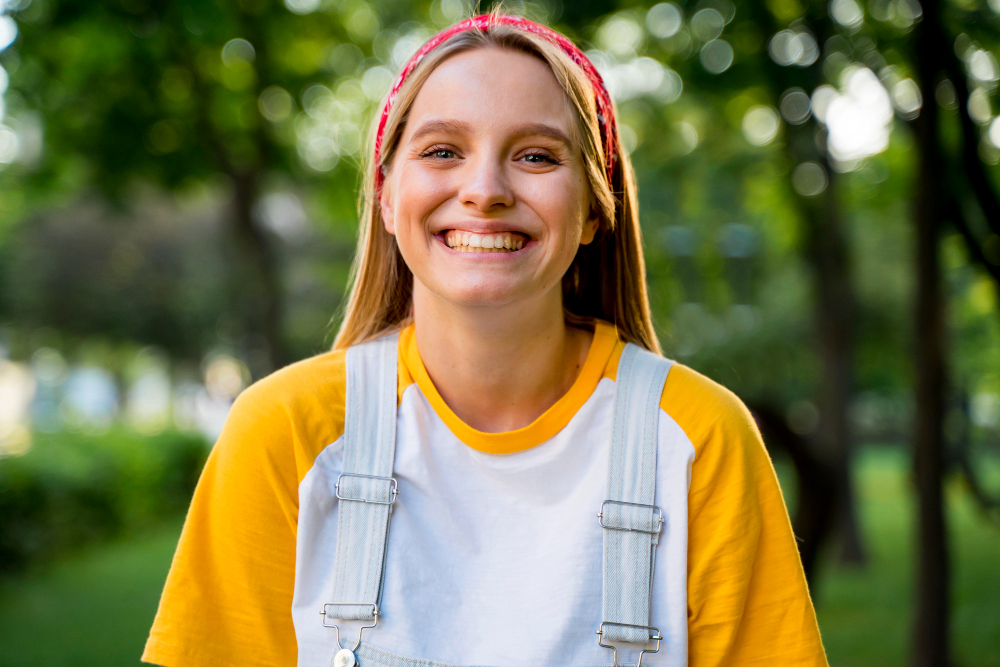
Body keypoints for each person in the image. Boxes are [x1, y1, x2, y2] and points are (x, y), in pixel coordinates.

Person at [142, 11, 828, 667]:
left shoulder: (698, 440)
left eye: (535, 155)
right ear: (385, 193)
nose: (485, 189)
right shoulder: (285, 433)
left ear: (594, 207)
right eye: (443, 150)